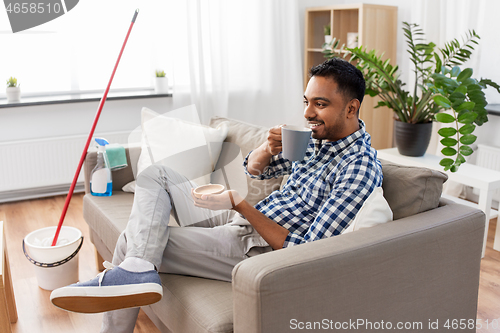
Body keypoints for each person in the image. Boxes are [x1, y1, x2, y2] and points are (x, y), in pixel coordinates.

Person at [50, 58, 383, 332]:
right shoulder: (316, 141)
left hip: (256, 249)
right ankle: (136, 269)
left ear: (352, 108)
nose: (309, 113)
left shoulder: (357, 168)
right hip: (238, 220)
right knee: (156, 175)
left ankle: (131, 275)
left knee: (132, 242)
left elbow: (303, 250)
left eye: (320, 104)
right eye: (307, 102)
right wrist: (267, 149)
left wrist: (239, 203)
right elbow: (256, 169)